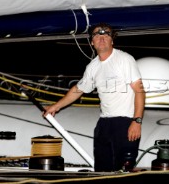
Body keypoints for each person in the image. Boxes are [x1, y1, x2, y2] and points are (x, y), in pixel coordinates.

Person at [43, 22, 145, 172]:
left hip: (125, 122)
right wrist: (55, 106)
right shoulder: (93, 66)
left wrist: (136, 121)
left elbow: (140, 91)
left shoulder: (124, 59)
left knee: (123, 171)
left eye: (106, 34)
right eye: (97, 34)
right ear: (92, 42)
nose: (101, 37)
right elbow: (78, 89)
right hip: (104, 124)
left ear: (112, 40)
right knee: (102, 170)